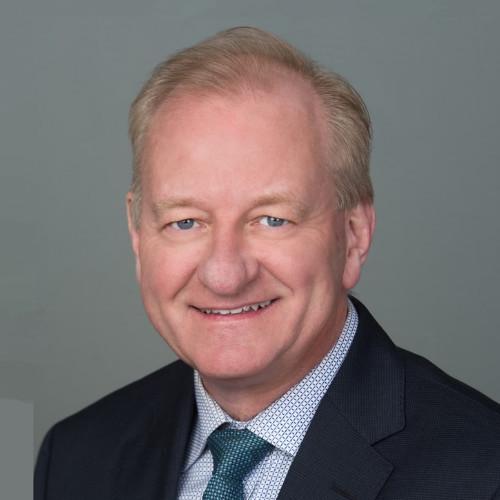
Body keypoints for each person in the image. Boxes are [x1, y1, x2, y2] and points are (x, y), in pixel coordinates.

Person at [35, 26, 500, 500]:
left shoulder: (484, 474)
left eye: (272, 219)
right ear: (138, 236)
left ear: (354, 234)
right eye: (185, 222)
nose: (225, 275)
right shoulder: (76, 459)